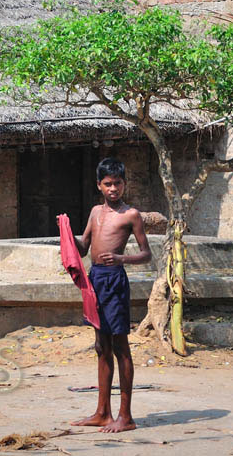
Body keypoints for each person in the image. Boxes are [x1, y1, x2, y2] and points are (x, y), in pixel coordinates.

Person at [70, 158, 151, 433]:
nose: (113, 188)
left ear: (124, 184)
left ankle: (125, 416)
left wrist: (120, 258)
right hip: (95, 280)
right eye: (108, 184)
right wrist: (67, 236)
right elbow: (83, 247)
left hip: (115, 279)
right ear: (99, 186)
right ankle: (102, 412)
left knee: (120, 347)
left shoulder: (131, 215)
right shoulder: (94, 212)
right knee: (101, 346)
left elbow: (146, 254)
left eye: (118, 183)